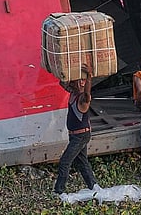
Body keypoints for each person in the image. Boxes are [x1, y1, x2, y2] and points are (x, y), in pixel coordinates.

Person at [53, 67, 99, 197]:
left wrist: (89, 78)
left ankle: (59, 190)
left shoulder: (82, 99)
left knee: (65, 162)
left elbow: (87, 95)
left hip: (80, 135)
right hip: (75, 135)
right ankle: (93, 185)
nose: (78, 82)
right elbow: (62, 83)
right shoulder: (73, 94)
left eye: (81, 81)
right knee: (82, 162)